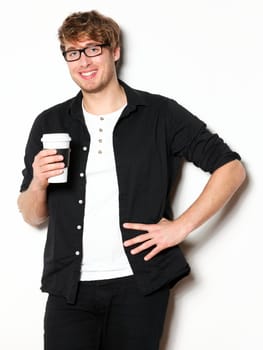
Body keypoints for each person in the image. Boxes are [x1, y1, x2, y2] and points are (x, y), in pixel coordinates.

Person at [17, 10, 246, 350]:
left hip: (140, 287)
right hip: (69, 289)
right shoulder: (49, 123)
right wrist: (37, 182)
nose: (83, 61)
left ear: (115, 51)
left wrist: (180, 227)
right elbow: (33, 215)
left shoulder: (160, 115)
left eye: (93, 48)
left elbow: (231, 168)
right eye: (73, 52)